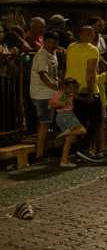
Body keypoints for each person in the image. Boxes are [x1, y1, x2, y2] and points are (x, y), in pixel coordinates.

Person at [65, 25, 102, 163]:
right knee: (93, 122)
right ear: (82, 35)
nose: (92, 36)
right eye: (90, 34)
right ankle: (85, 150)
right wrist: (92, 93)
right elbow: (90, 73)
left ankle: (79, 150)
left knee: (78, 122)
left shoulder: (71, 47)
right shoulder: (92, 49)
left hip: (72, 90)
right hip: (87, 89)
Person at [30, 32, 61, 164]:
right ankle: (39, 154)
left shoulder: (53, 54)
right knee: (44, 123)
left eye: (54, 42)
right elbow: (43, 75)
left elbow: (53, 74)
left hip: (49, 93)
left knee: (47, 123)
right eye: (49, 42)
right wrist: (57, 87)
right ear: (45, 42)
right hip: (42, 94)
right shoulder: (41, 55)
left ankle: (44, 151)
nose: (52, 45)